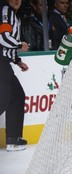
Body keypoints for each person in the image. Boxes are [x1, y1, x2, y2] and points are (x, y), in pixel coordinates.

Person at [0, 0, 30, 151]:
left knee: (17, 96)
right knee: (3, 100)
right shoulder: (5, 10)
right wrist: (20, 45)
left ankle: (13, 139)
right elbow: (3, 38)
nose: (17, 0)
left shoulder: (13, 14)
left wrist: (17, 61)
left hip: (5, 62)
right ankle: (13, 138)